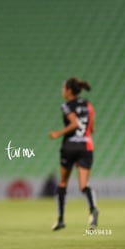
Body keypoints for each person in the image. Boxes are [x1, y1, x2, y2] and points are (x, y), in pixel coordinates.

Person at [49, 77, 99, 231]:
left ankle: (61, 219)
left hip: (70, 146)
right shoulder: (88, 105)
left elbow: (74, 124)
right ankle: (92, 209)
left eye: (63, 87)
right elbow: (92, 129)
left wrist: (58, 133)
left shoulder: (66, 106)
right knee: (84, 185)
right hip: (86, 146)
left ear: (69, 90)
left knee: (63, 182)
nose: (62, 90)